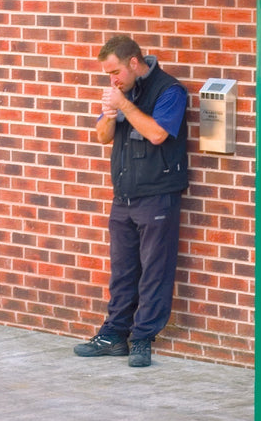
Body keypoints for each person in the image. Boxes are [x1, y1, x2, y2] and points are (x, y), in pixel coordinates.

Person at [73, 35, 189, 367]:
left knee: (154, 271)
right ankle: (113, 335)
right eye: (108, 74)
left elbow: (157, 134)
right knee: (122, 271)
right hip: (123, 195)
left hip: (157, 195)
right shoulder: (121, 92)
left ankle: (142, 339)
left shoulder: (169, 91)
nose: (113, 80)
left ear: (134, 63)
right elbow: (101, 136)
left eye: (116, 72)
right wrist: (110, 112)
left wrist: (123, 105)